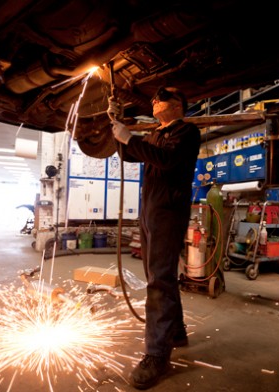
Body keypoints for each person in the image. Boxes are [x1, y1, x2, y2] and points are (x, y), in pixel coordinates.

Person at [110, 86, 201, 389]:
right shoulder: (155, 133)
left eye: (160, 98)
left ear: (177, 105)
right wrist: (117, 128)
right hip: (150, 210)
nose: (154, 101)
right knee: (160, 276)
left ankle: (157, 353)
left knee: (158, 280)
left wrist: (130, 138)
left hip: (168, 212)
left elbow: (164, 160)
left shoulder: (186, 132)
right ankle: (175, 332)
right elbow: (130, 155)